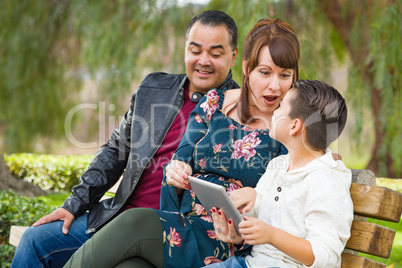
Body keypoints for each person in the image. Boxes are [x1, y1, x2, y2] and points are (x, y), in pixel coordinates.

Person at [63, 17, 301, 268]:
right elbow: (181, 158)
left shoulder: (293, 128)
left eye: (284, 75)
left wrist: (258, 198)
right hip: (183, 224)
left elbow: (293, 201)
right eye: (265, 72)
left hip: (234, 245)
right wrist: (178, 173)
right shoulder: (213, 103)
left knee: (135, 222)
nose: (274, 86)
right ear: (246, 68)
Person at [11, 10, 240, 268]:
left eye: (216, 53)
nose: (203, 60)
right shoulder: (153, 89)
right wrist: (73, 205)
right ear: (185, 49)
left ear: (233, 56)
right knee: (34, 240)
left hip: (169, 238)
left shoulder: (240, 112)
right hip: (116, 218)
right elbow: (114, 151)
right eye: (195, 50)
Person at [207, 80, 354, 267]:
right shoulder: (278, 165)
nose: (274, 111)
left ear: (294, 126)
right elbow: (263, 217)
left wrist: (272, 235)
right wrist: (243, 216)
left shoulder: (326, 181)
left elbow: (325, 256)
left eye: (281, 107)